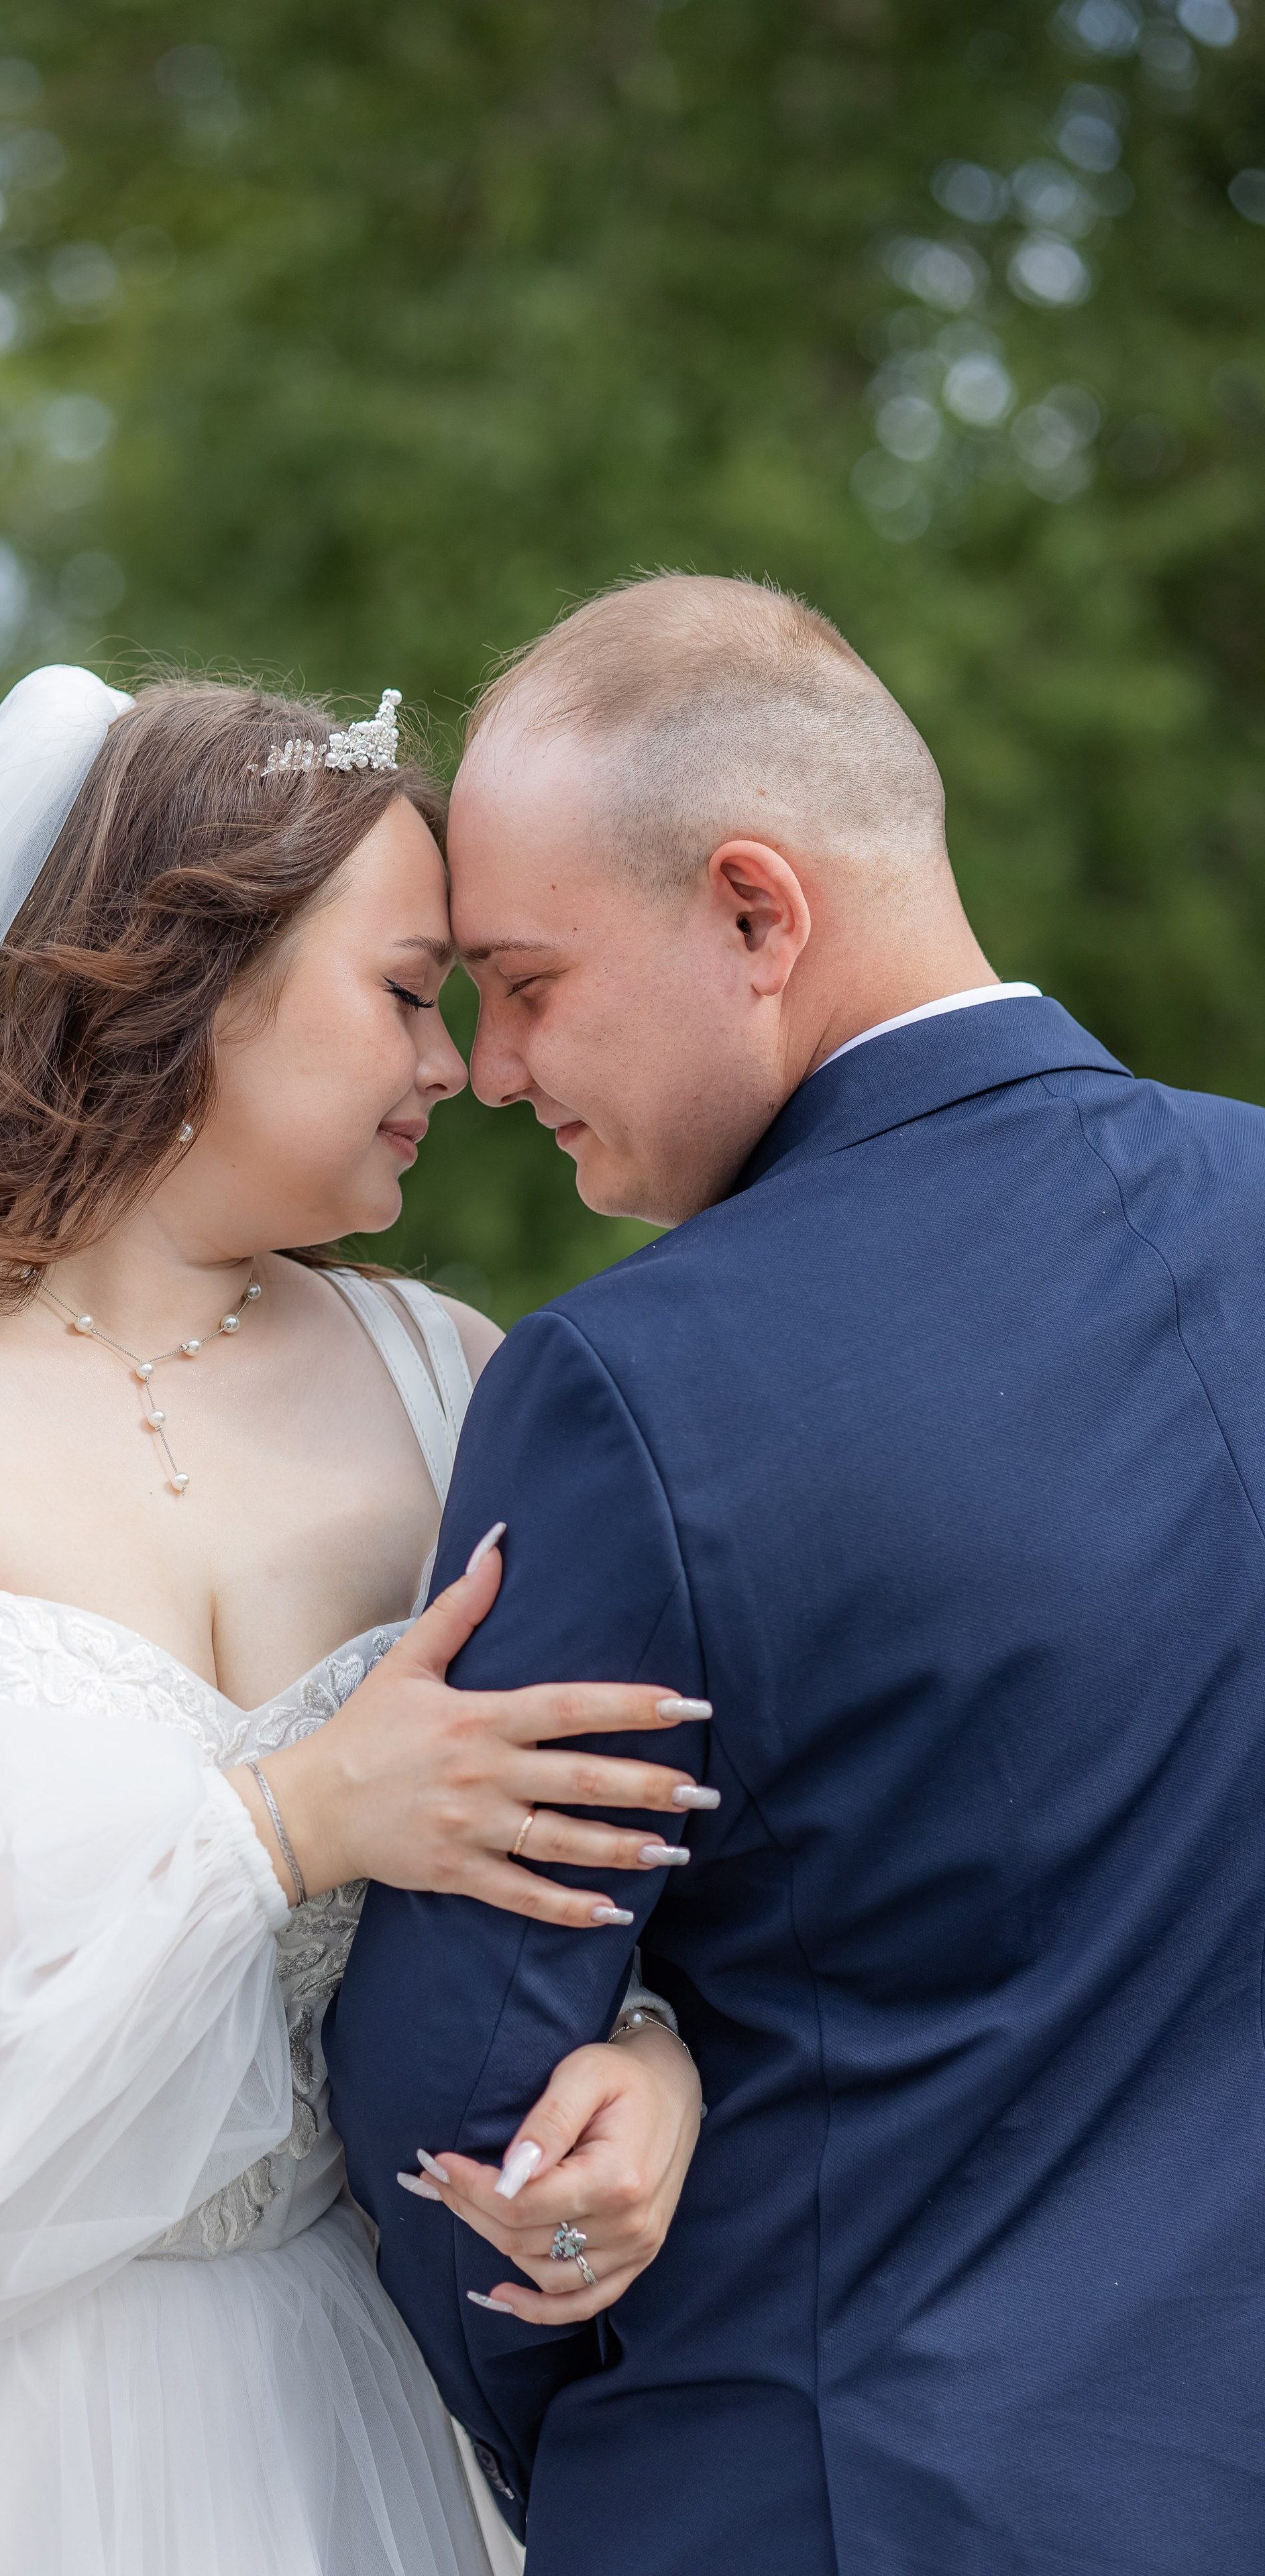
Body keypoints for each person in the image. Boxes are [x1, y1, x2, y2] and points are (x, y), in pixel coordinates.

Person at [0, 670, 710, 2576]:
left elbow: (577, 1872)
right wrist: (276, 1829)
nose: (459, 1067)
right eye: (408, 994)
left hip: (334, 2433)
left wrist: (643, 2067)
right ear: (201, 967)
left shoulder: (458, 1389)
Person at [329, 572, 1265, 2573]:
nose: (491, 1066)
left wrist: (643, 2456)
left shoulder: (635, 1388)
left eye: (529, 978)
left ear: (758, 912)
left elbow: (461, 2105)